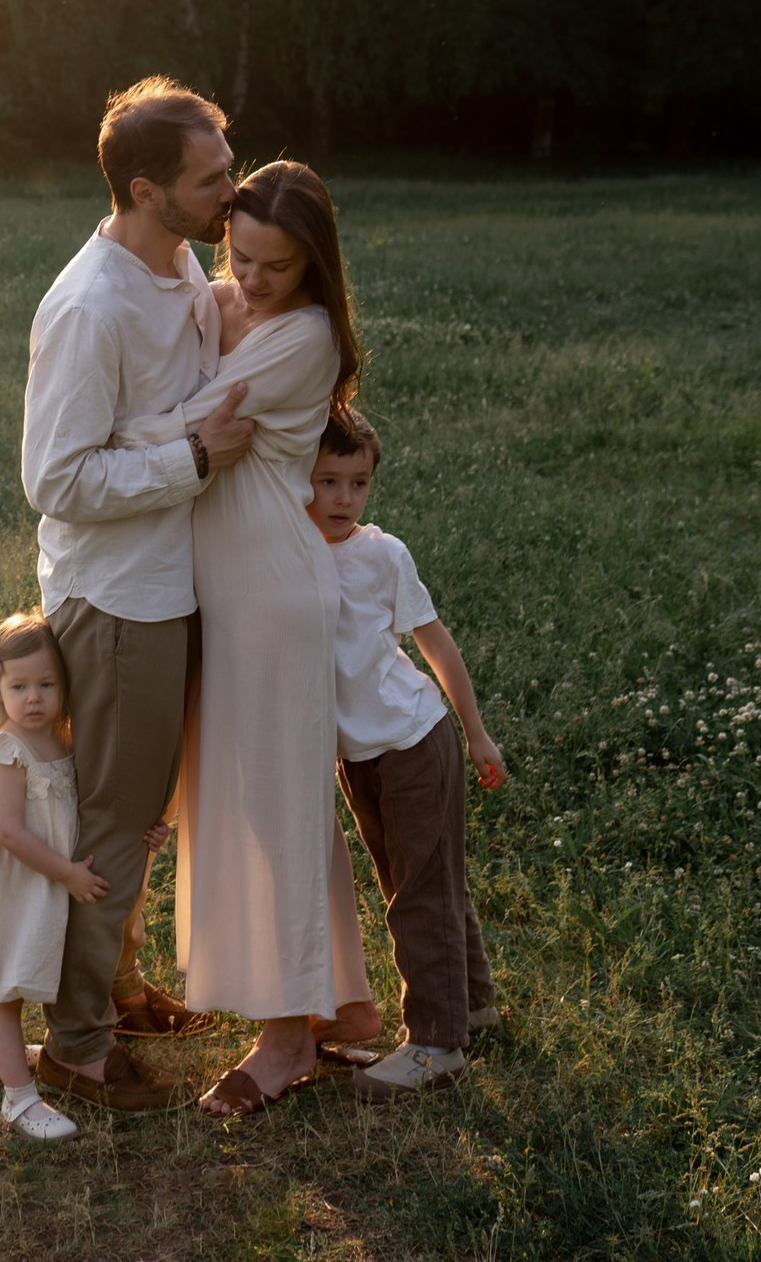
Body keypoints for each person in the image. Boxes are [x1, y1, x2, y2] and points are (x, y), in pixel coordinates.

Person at [105, 159, 376, 1116]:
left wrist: (108, 427)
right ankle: (341, 998)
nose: (252, 279)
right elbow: (190, 306)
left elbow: (188, 421)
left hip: (269, 590)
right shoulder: (237, 302)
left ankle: (287, 1036)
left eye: (277, 264)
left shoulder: (302, 335)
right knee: (262, 800)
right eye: (240, 254)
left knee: (276, 806)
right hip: (225, 587)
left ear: (313, 266)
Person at [21, 77, 258, 1112]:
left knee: (142, 816)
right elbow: (55, 480)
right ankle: (73, 1046)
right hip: (118, 603)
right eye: (211, 180)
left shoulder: (181, 262)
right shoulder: (90, 305)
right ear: (146, 189)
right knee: (112, 826)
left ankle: (114, 991)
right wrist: (192, 459)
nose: (230, 190)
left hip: (174, 583)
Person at [309, 408, 509, 1099]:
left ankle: (434, 1041)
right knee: (417, 881)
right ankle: (472, 1005)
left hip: (414, 737)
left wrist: (475, 730)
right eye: (326, 480)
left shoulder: (381, 554)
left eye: (357, 482)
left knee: (419, 889)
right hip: (358, 754)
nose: (343, 498)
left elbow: (435, 642)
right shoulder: (288, 552)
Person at [0, 612, 168, 1139]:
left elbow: (88, 807)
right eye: (19, 686)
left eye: (46, 684)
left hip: (44, 884)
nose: (33, 698)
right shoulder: (6, 750)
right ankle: (18, 1100)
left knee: (32, 970)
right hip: (18, 885)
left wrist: (147, 831)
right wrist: (67, 874)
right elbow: (11, 834)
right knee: (6, 990)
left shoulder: (63, 739)